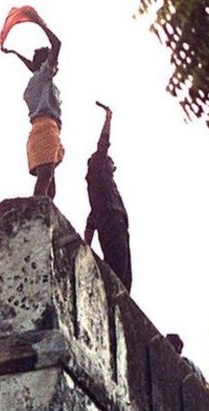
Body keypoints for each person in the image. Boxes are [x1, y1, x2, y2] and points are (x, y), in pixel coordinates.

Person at [0, 11, 63, 198]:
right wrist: (41, 24)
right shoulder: (43, 76)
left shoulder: (37, 80)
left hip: (44, 130)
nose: (56, 63)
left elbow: (33, 66)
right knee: (46, 177)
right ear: (46, 63)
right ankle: (35, 211)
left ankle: (45, 214)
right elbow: (57, 44)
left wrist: (15, 53)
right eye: (52, 60)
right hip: (46, 128)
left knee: (50, 182)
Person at [84, 102, 132, 291]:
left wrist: (85, 245)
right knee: (117, 269)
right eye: (111, 162)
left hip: (119, 225)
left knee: (125, 277)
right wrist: (108, 119)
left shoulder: (105, 189)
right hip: (111, 224)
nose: (115, 167)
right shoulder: (97, 172)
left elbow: (91, 219)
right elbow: (103, 144)